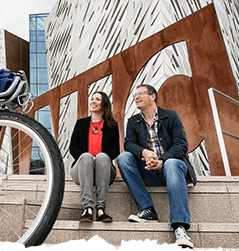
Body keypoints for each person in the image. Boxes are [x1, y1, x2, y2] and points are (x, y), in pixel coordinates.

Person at [116, 84, 197, 248]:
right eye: (135, 95)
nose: (136, 97)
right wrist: (144, 153)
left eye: (140, 93)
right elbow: (129, 144)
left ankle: (180, 227)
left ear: (152, 96)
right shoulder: (133, 121)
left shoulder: (171, 117)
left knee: (172, 163)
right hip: (148, 170)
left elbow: (181, 145)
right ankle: (147, 210)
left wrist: (161, 160)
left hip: (172, 169)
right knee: (123, 157)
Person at [69, 92, 119, 222]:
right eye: (91, 99)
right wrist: (90, 160)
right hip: (82, 170)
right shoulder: (81, 123)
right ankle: (88, 208)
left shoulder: (112, 125)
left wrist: (97, 160)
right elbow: (73, 147)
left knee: (102, 157)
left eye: (97, 99)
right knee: (86, 157)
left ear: (104, 104)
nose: (93, 101)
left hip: (104, 170)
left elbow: (115, 150)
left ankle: (101, 208)